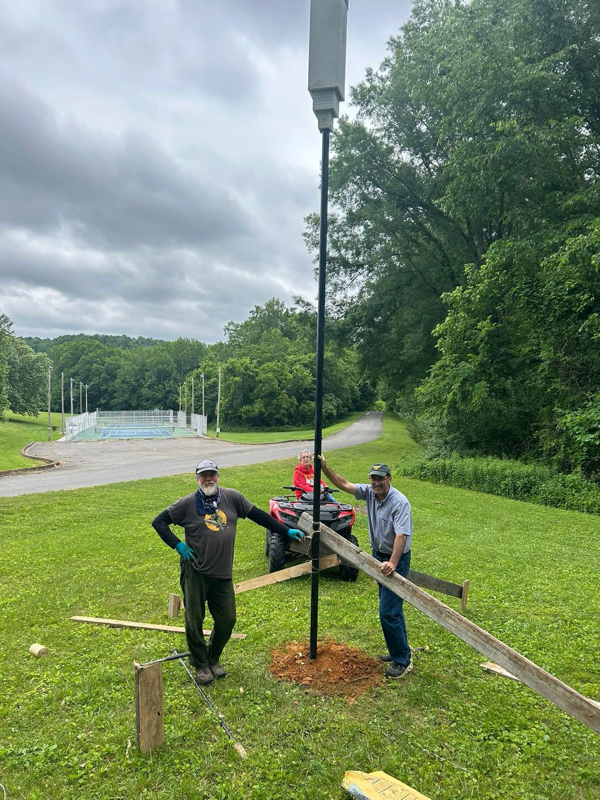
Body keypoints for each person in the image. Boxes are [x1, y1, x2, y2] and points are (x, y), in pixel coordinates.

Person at [152, 459, 304, 685]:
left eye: (212, 474)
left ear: (218, 476)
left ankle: (212, 657)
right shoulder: (187, 503)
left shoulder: (233, 498)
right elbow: (159, 522)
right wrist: (179, 545)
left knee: (228, 619)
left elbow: (259, 515)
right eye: (204, 475)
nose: (208, 479)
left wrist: (285, 530)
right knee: (194, 618)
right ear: (197, 479)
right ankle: (201, 664)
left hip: (222, 572)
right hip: (195, 572)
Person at [317, 455, 413, 679]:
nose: (376, 483)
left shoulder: (400, 502)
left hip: (395, 558)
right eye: (373, 478)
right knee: (392, 608)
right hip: (378, 555)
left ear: (389, 478)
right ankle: (398, 650)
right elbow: (343, 484)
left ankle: (402, 661)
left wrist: (393, 563)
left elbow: (401, 535)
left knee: (388, 611)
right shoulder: (369, 493)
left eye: (380, 478)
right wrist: (325, 467)